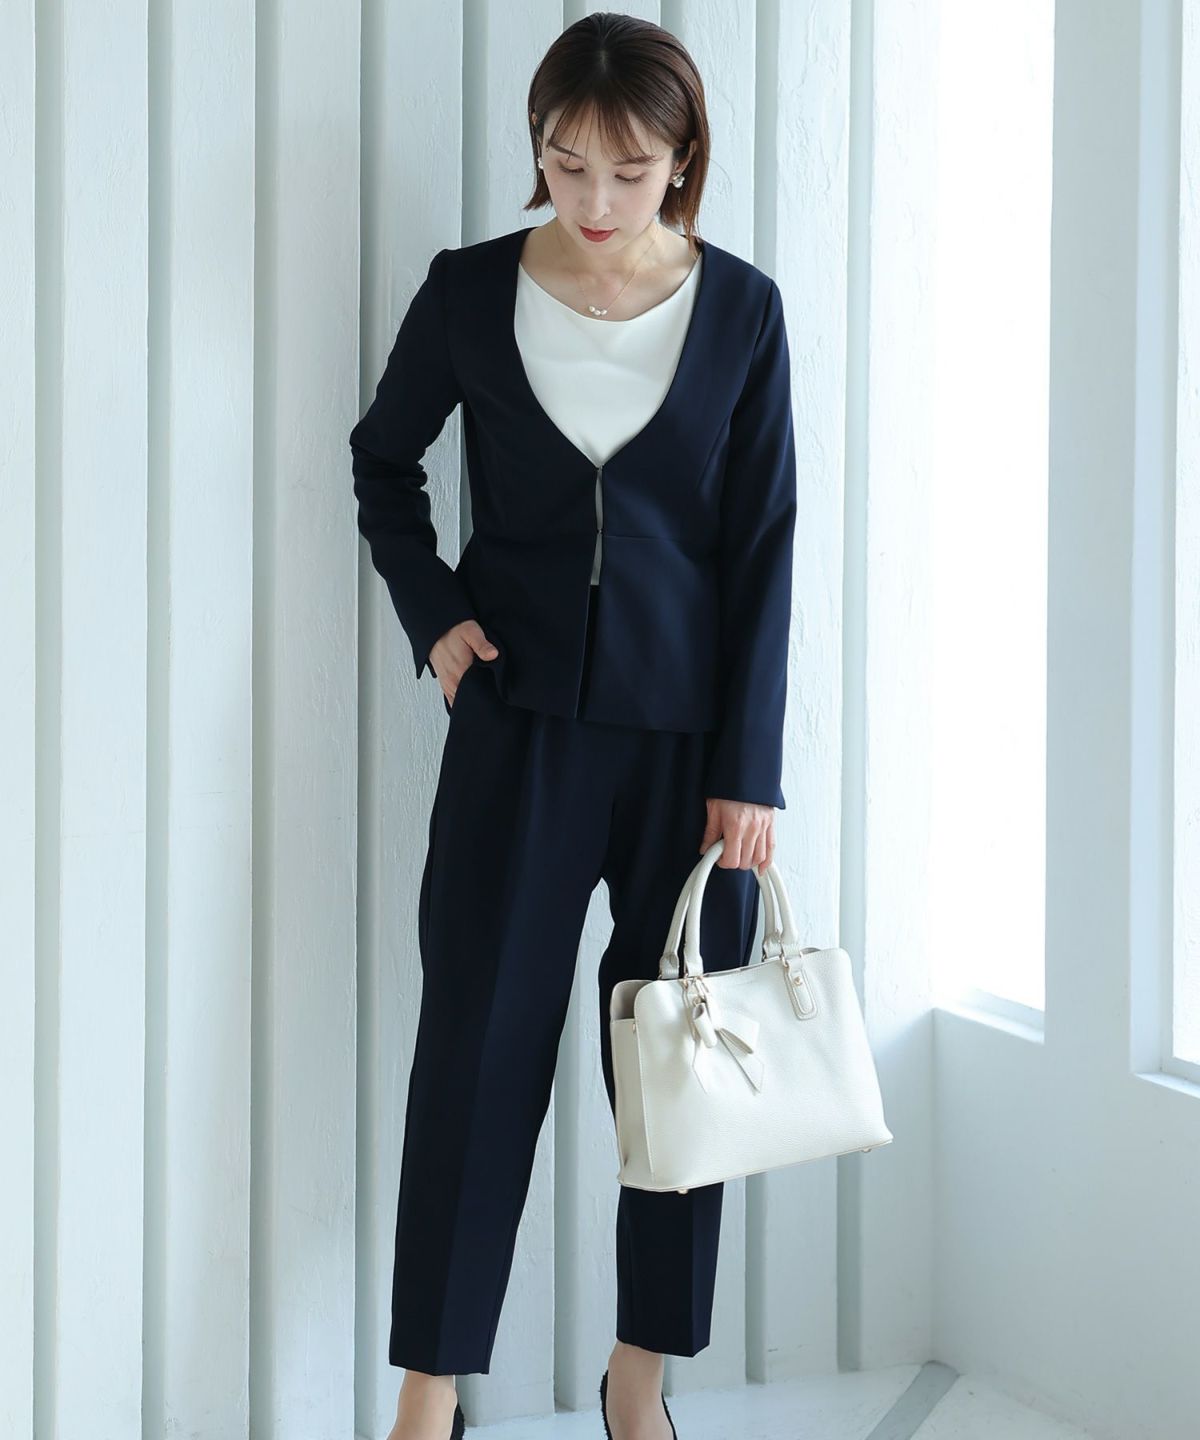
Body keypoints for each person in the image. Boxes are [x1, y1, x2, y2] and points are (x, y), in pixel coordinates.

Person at [348, 16, 797, 1440]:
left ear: (683, 162)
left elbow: (765, 548)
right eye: (566, 164)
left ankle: (639, 1381)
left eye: (630, 171)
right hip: (518, 729)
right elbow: (384, 463)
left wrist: (751, 770)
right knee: (475, 1057)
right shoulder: (470, 291)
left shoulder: (742, 312)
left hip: (690, 755)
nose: (595, 202)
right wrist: (435, 617)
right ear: (537, 149)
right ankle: (431, 1394)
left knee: (677, 1071)